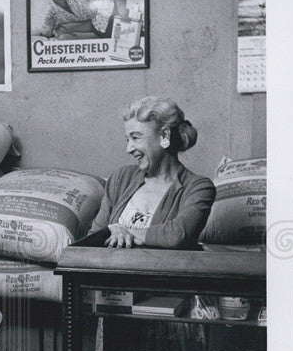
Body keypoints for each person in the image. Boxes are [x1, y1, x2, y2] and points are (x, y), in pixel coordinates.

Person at [89, 97, 216, 249]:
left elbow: (177, 234)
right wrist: (111, 231)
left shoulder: (198, 188)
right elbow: (93, 237)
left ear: (164, 136)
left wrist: (123, 230)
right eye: (127, 140)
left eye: (136, 138)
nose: (128, 149)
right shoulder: (121, 178)